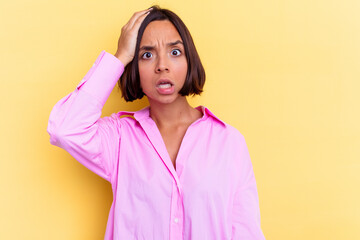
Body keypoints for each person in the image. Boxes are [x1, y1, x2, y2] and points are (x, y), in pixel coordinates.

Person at [47, 5, 265, 240]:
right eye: (147, 55)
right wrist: (120, 57)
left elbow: (246, 232)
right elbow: (65, 129)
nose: (162, 65)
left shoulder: (229, 142)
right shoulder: (120, 138)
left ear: (190, 61)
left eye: (175, 52)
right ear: (134, 68)